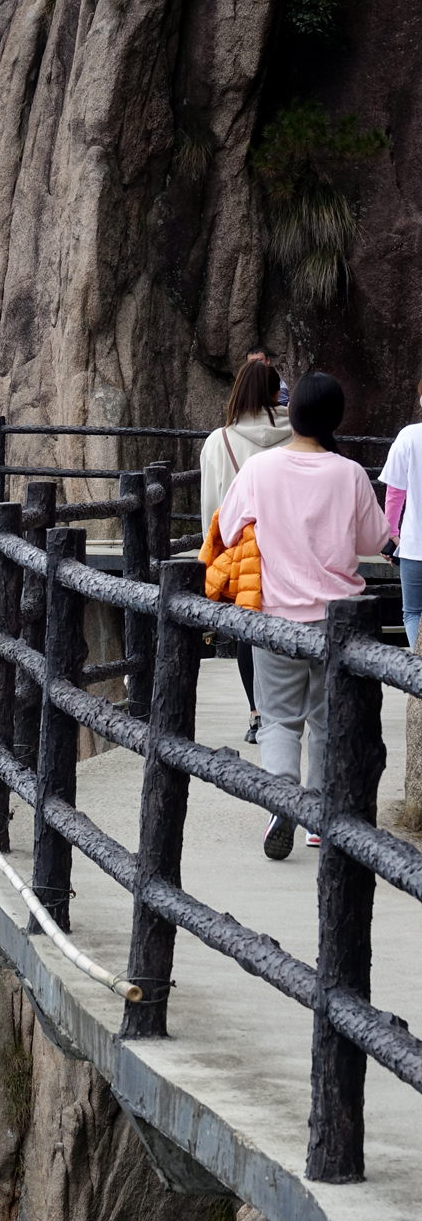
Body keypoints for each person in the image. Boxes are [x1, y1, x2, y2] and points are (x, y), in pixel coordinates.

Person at [216, 371, 390, 860]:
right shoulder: (349, 474)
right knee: (329, 720)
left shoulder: (260, 469)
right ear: (335, 418)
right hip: (339, 621)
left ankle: (282, 801)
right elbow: (372, 540)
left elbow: (227, 529)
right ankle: (318, 814)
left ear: (290, 413)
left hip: (277, 617)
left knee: (278, 719)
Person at [201, 361, 292, 742]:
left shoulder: (219, 441)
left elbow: (213, 508)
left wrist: (212, 557)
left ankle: (257, 714)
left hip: (242, 551)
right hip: (290, 546)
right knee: (291, 624)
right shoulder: (297, 434)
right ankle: (288, 712)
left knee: (247, 631)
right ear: (276, 393)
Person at [378, 379, 422, 650]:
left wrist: (390, 533)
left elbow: (395, 493)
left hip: (415, 546)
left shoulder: (409, 436)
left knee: (413, 612)